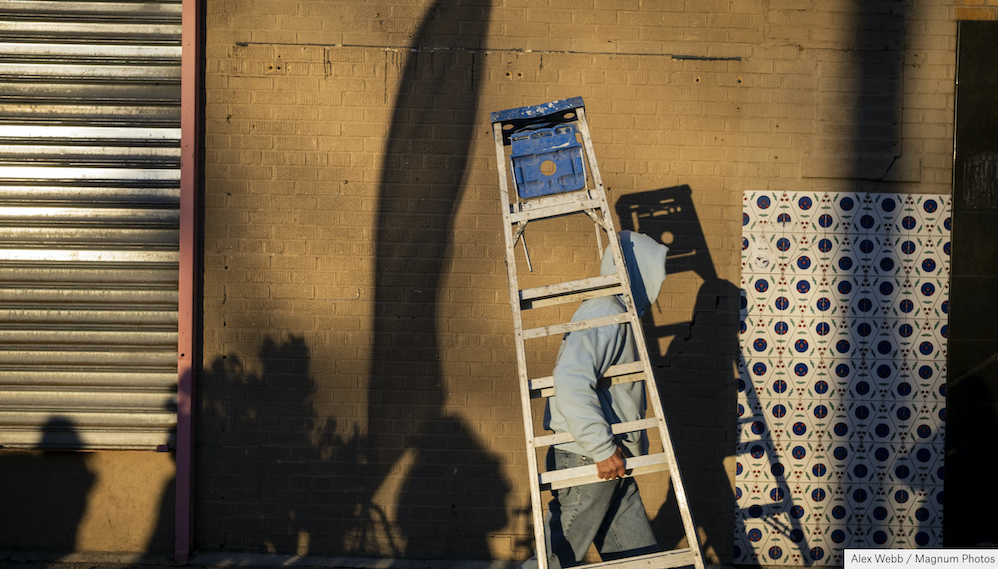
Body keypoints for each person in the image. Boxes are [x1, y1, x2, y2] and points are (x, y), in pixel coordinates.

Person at [527, 230, 668, 569]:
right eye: (656, 271)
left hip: (612, 458)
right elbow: (571, 378)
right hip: (590, 457)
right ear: (639, 270)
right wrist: (602, 449)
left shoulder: (616, 311)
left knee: (639, 558)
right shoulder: (606, 309)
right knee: (554, 560)